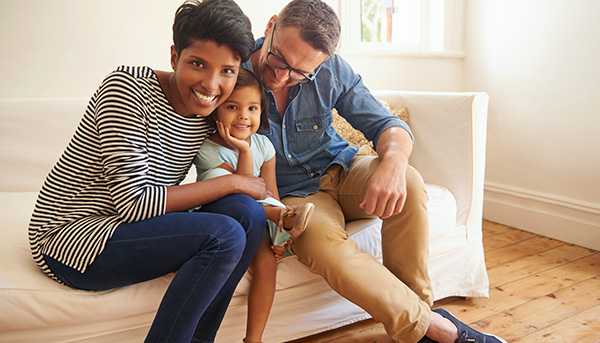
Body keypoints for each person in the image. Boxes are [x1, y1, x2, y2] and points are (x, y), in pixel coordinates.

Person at [244, 1, 507, 342]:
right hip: (296, 195)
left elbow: (387, 124)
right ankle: (435, 328)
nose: (282, 75)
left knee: (410, 182)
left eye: (300, 73)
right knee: (317, 243)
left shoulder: (332, 69)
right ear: (271, 26)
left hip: (344, 168)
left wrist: (395, 164)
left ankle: (420, 319)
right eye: (279, 58)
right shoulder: (234, 70)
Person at [27, 1, 266, 342]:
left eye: (226, 71)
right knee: (224, 235)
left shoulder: (210, 111)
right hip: (72, 238)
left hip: (135, 227)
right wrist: (233, 182)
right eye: (198, 64)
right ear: (174, 57)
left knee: (248, 215)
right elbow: (135, 204)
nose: (211, 84)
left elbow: (252, 139)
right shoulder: (127, 89)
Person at [193, 68, 315, 343]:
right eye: (232, 107)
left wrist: (280, 239)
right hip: (226, 217)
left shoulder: (264, 145)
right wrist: (244, 150)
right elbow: (242, 190)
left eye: (252, 108)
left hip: (261, 219)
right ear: (216, 111)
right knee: (222, 179)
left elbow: (270, 191)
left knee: (267, 263)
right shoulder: (207, 149)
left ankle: (254, 339)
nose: (243, 116)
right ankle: (284, 218)